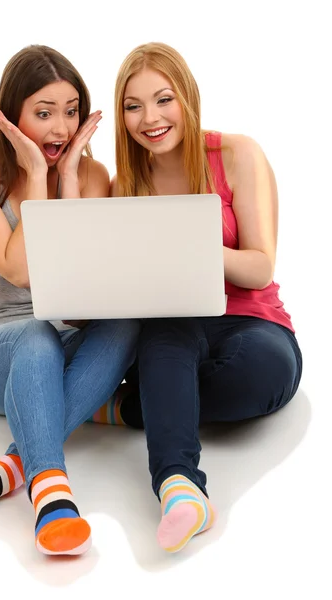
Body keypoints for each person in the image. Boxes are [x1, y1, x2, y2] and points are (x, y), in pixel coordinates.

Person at [0, 44, 140, 557]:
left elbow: (75, 299)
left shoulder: (93, 176)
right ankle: (51, 492)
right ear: (12, 114)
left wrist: (69, 180)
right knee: (36, 332)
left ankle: (6, 467)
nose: (60, 129)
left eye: (71, 112)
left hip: (61, 334)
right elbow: (22, 269)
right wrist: (35, 176)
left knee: (125, 325)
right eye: (44, 113)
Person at [107, 41, 302, 553]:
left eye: (163, 99)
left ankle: (125, 409)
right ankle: (181, 490)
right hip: (175, 320)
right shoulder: (126, 183)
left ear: (188, 98)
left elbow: (260, 266)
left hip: (250, 320)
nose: (150, 118)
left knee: (262, 377)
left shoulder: (235, 153)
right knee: (164, 347)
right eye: (133, 106)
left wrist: (190, 242)